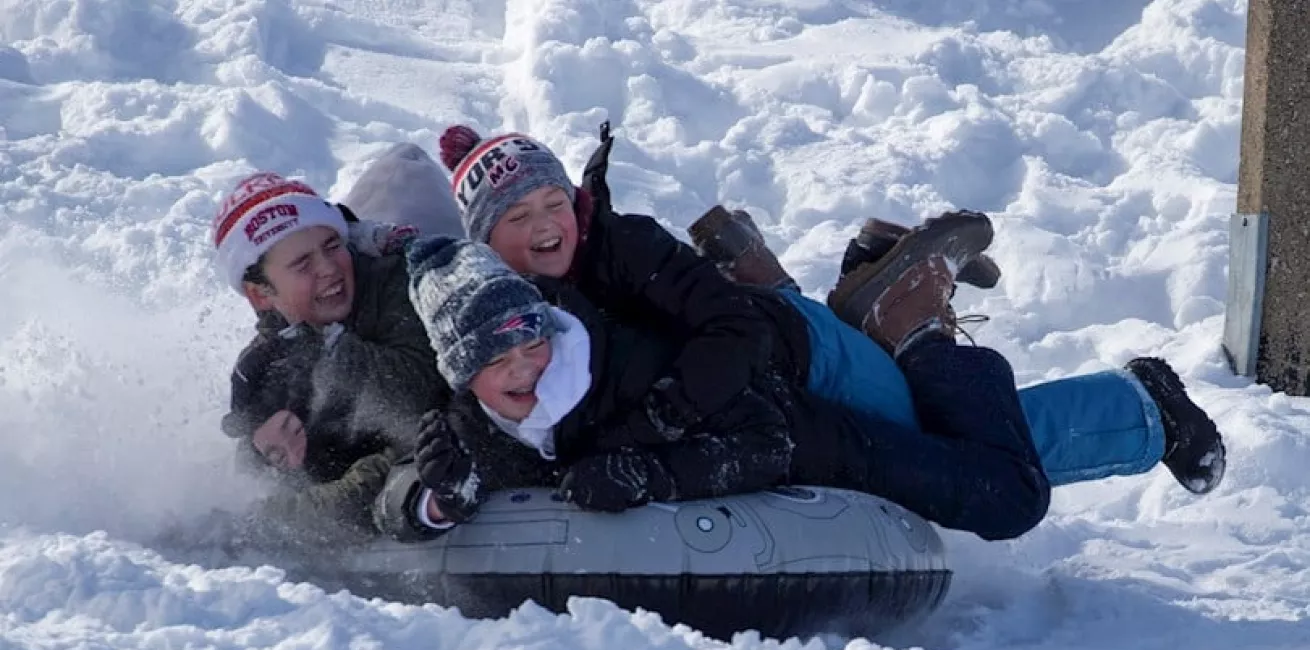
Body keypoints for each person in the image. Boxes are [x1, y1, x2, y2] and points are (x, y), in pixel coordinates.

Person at [436, 123, 1225, 495]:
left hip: (797, 356)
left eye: (553, 203)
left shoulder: (617, 245)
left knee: (948, 444)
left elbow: (726, 334)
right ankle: (866, 279)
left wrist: (661, 424)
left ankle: (915, 322)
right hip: (768, 362)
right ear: (484, 240)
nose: (545, 226)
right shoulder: (500, 308)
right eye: (518, 218)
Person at [372, 235, 1051, 543]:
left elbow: (767, 440)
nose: (526, 369)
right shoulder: (472, 420)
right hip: (775, 362)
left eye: (532, 344)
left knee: (1010, 498)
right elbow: (397, 502)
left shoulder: (622, 366)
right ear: (463, 373)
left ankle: (917, 330)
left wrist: (650, 474)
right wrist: (439, 497)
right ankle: (799, 268)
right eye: (497, 360)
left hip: (809, 428)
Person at [207, 169, 450, 549]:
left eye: (333, 245)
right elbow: (257, 463)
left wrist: (331, 350)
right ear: (261, 294)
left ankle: (256, 530)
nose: (328, 268)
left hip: (430, 442)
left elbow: (420, 397)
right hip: (371, 453)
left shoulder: (396, 287)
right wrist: (265, 446)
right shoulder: (272, 350)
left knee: (372, 487)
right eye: (302, 263)